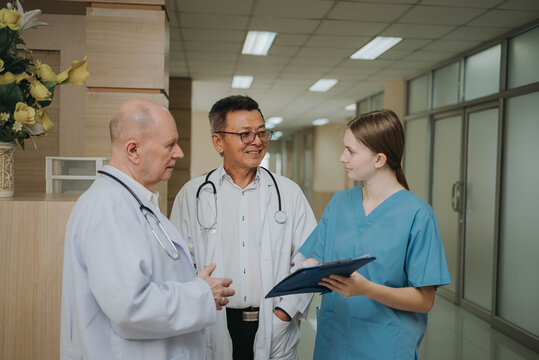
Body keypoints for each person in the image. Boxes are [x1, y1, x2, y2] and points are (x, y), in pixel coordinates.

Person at [60, 99, 235, 360]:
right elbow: (130, 307)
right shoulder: (108, 207)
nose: (179, 153)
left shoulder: (134, 202)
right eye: (170, 145)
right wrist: (201, 293)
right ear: (133, 150)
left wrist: (200, 289)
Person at [169, 95, 317, 360]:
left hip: (274, 326)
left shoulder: (289, 192)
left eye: (262, 132)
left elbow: (310, 257)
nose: (257, 141)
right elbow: (178, 263)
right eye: (245, 134)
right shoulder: (192, 195)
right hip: (212, 322)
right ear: (218, 141)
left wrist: (284, 312)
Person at [300, 109, 451, 359]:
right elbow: (316, 256)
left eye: (351, 151)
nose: (341, 157)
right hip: (334, 341)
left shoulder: (417, 215)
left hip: (385, 346)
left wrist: (367, 289)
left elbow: (425, 300)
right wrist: (308, 267)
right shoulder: (339, 203)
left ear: (379, 159)